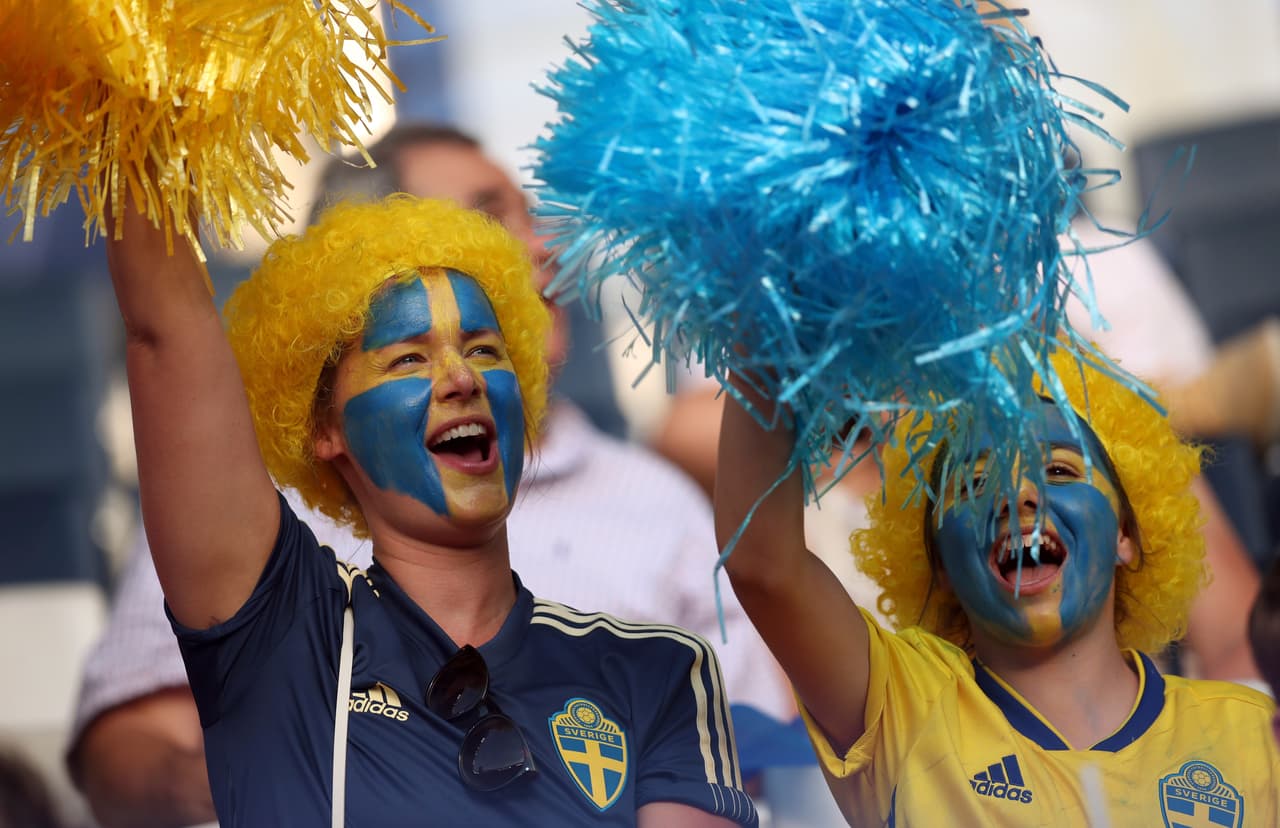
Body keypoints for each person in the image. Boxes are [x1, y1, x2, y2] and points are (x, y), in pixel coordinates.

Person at [69, 124, 787, 828]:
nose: (460, 379)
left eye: (484, 350)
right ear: (324, 430)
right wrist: (141, 101)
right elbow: (165, 325)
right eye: (407, 360)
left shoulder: (656, 670)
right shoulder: (282, 635)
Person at [717, 344, 1280, 825]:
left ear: (1127, 535)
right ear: (937, 562)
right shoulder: (900, 709)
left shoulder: (1250, 732)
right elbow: (763, 567)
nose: (1019, 497)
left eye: (1059, 470)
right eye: (977, 482)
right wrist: (759, 330)